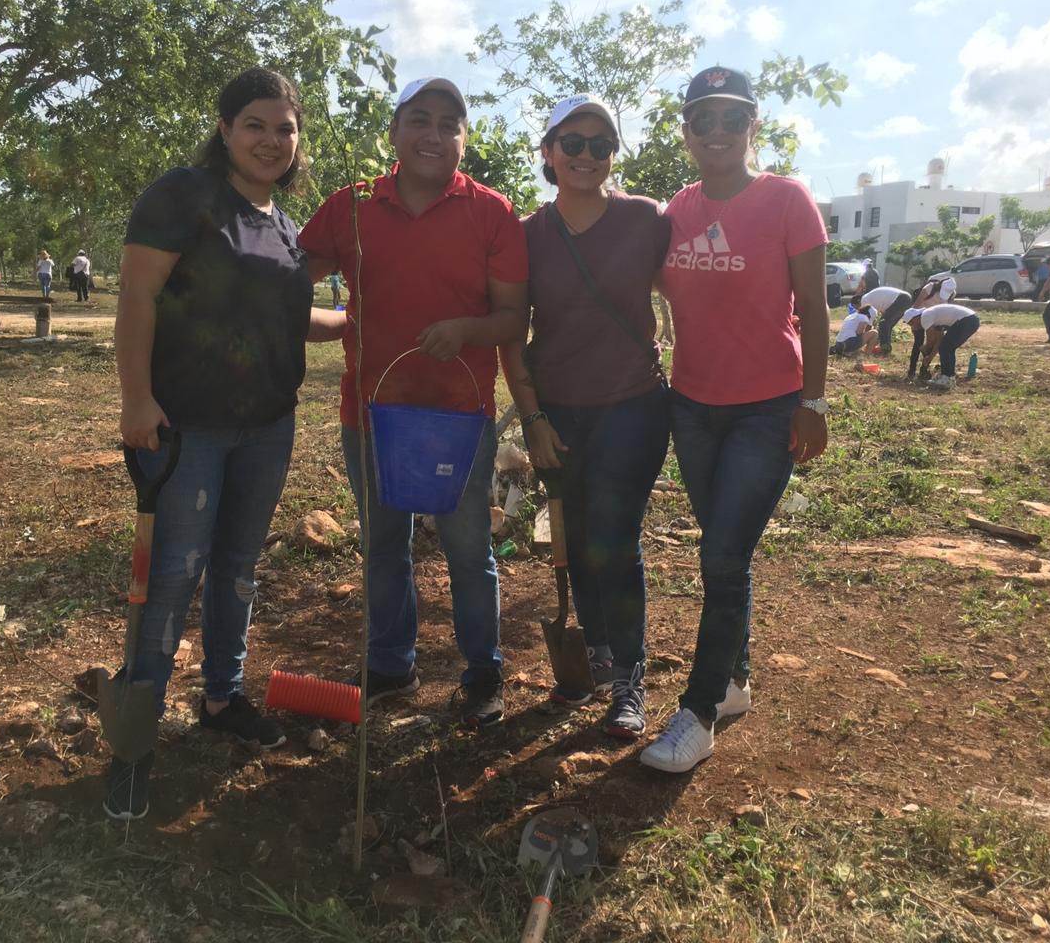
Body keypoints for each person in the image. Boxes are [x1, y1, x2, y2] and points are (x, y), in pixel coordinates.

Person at [108, 67, 319, 821]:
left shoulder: (284, 224)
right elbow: (137, 295)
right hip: (186, 427)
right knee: (174, 575)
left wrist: (370, 325)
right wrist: (137, 398)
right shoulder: (184, 196)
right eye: (255, 125)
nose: (271, 140)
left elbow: (288, 319)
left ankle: (223, 698)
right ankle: (134, 741)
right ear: (226, 128)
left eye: (285, 129)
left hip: (268, 426)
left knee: (237, 568)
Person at [299, 77, 528, 728]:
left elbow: (513, 319)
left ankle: (483, 670)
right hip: (372, 412)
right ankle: (391, 664)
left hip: (459, 416)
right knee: (383, 542)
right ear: (394, 131)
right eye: (420, 120)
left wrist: (466, 330)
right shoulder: (352, 205)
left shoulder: (492, 212)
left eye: (450, 124)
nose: (435, 134)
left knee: (468, 548)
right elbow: (288, 273)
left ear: (464, 139)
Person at [642, 66, 829, 773]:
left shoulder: (787, 200)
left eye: (731, 118)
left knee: (721, 556)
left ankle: (697, 712)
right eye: (703, 119)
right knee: (727, 552)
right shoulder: (676, 211)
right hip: (692, 407)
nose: (716, 131)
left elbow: (814, 310)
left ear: (754, 126)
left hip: (767, 408)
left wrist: (814, 401)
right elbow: (640, 283)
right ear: (687, 132)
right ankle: (736, 681)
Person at [500, 94, 670, 739]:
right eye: (572, 143)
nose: (587, 155)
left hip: (634, 405)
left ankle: (628, 677)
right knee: (576, 537)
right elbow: (512, 337)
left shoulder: (645, 218)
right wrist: (533, 418)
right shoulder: (526, 236)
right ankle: (596, 648)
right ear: (548, 153)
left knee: (615, 539)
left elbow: (692, 290)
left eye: (601, 144)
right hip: (560, 410)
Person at [904, 302, 980, 390]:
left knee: (946, 348)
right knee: (947, 348)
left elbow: (930, 340)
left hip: (966, 320)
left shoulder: (925, 317)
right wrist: (929, 358)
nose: (914, 327)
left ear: (914, 318)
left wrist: (925, 347)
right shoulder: (934, 318)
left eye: (911, 323)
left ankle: (947, 377)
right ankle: (949, 377)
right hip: (971, 319)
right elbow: (939, 342)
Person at [859, 284, 914, 354]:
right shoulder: (871, 298)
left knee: (883, 323)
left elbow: (869, 325)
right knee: (887, 325)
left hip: (900, 299)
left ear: (858, 302)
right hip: (906, 298)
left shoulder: (864, 301)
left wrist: (866, 339)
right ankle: (886, 347)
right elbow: (882, 314)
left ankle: (884, 349)